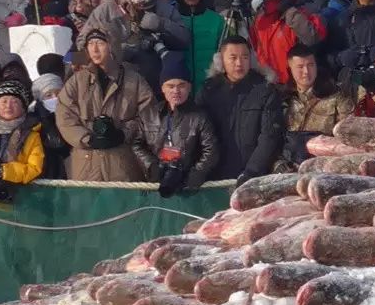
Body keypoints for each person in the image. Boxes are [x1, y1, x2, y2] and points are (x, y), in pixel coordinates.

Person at [54, 28, 155, 183]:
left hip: (122, 165)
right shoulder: (76, 81)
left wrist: (123, 134)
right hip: (85, 166)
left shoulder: (134, 81)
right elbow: (64, 117)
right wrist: (87, 139)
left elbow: (148, 115)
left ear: (112, 46)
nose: (94, 49)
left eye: (100, 43)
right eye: (90, 43)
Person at [201, 35, 284, 183]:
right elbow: (200, 133)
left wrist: (252, 171)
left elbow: (269, 136)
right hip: (214, 176)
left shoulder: (265, 90)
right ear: (221, 61)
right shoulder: (209, 90)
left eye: (245, 57)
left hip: (252, 176)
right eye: (233, 58)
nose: (239, 63)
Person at [135, 55, 219, 196]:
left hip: (189, 189)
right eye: (170, 86)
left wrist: (194, 176)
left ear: (189, 87)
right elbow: (136, 144)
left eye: (181, 86)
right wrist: (153, 167)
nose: (176, 91)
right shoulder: (150, 114)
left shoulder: (200, 117)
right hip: (156, 184)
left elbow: (211, 151)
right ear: (162, 88)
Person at [281, 43, 355, 167]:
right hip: (289, 168)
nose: (306, 72)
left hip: (324, 166)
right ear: (290, 69)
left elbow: (349, 136)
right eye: (300, 67)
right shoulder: (283, 100)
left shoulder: (337, 97)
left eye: (311, 65)